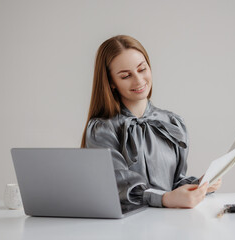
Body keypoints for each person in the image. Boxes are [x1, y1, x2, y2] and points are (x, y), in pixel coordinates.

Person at [81, 35, 221, 208]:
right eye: (125, 76)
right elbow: (117, 188)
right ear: (111, 83)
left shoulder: (173, 123)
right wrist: (165, 199)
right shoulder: (102, 130)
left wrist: (199, 184)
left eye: (142, 69)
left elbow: (174, 183)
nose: (139, 80)